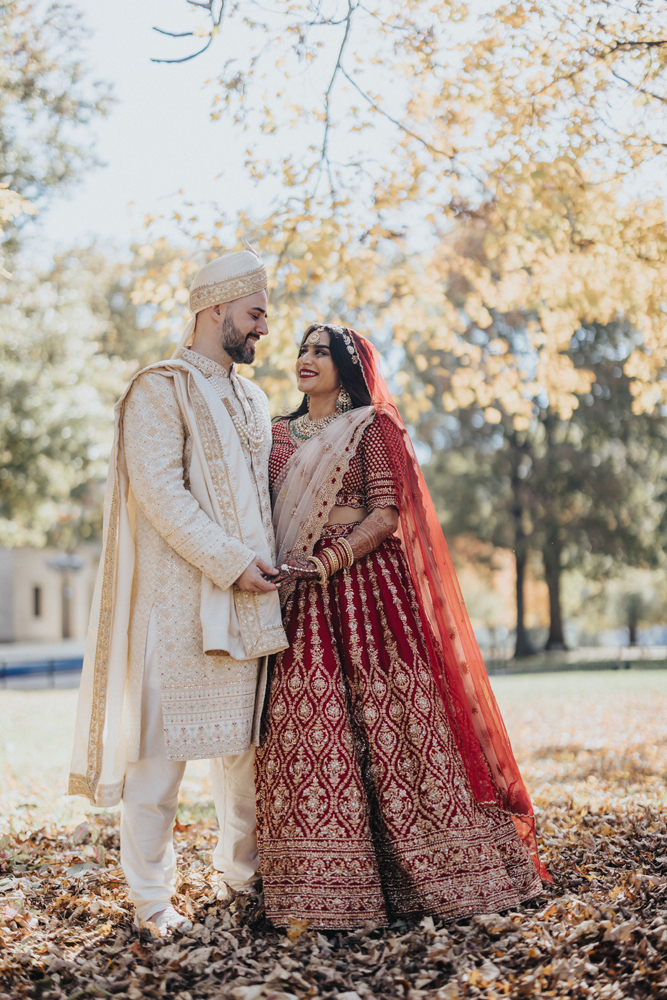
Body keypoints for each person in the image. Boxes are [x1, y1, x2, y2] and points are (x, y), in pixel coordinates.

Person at [255, 323, 549, 930]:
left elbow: (388, 514)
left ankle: (436, 871)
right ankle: (319, 888)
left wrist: (327, 561)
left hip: (367, 595)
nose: (306, 359)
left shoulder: (375, 425)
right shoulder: (276, 434)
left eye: (322, 352)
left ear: (348, 366)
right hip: (296, 599)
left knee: (395, 727)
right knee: (307, 725)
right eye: (302, 350)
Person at [69, 245, 288, 935]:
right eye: (254, 314)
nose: (262, 328)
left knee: (244, 769)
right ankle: (151, 903)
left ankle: (241, 884)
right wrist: (229, 563)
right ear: (214, 307)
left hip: (250, 609)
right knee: (158, 771)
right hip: (174, 611)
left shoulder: (252, 397)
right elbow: (160, 493)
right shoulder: (157, 388)